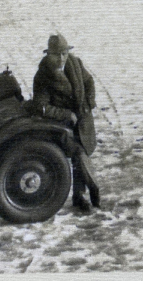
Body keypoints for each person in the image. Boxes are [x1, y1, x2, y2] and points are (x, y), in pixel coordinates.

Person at [32, 34, 101, 213]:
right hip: (60, 126)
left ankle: (79, 197)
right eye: (56, 54)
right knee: (77, 153)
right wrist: (66, 114)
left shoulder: (75, 63)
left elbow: (89, 82)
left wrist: (89, 102)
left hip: (82, 119)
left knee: (83, 152)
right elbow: (41, 107)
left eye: (63, 53)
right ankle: (91, 190)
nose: (61, 58)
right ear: (48, 55)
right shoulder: (42, 76)